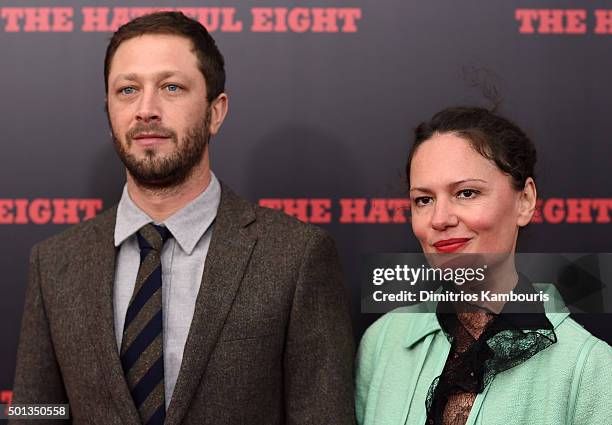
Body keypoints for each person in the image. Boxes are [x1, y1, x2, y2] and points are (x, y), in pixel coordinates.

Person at [10, 12, 355, 425]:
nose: (146, 109)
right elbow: (35, 414)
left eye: (171, 87)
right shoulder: (54, 263)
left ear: (216, 111)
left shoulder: (295, 256)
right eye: (127, 90)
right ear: (109, 111)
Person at [355, 107, 612, 425]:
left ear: (525, 201)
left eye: (466, 193)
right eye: (424, 199)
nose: (440, 219)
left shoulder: (590, 368)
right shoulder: (382, 343)